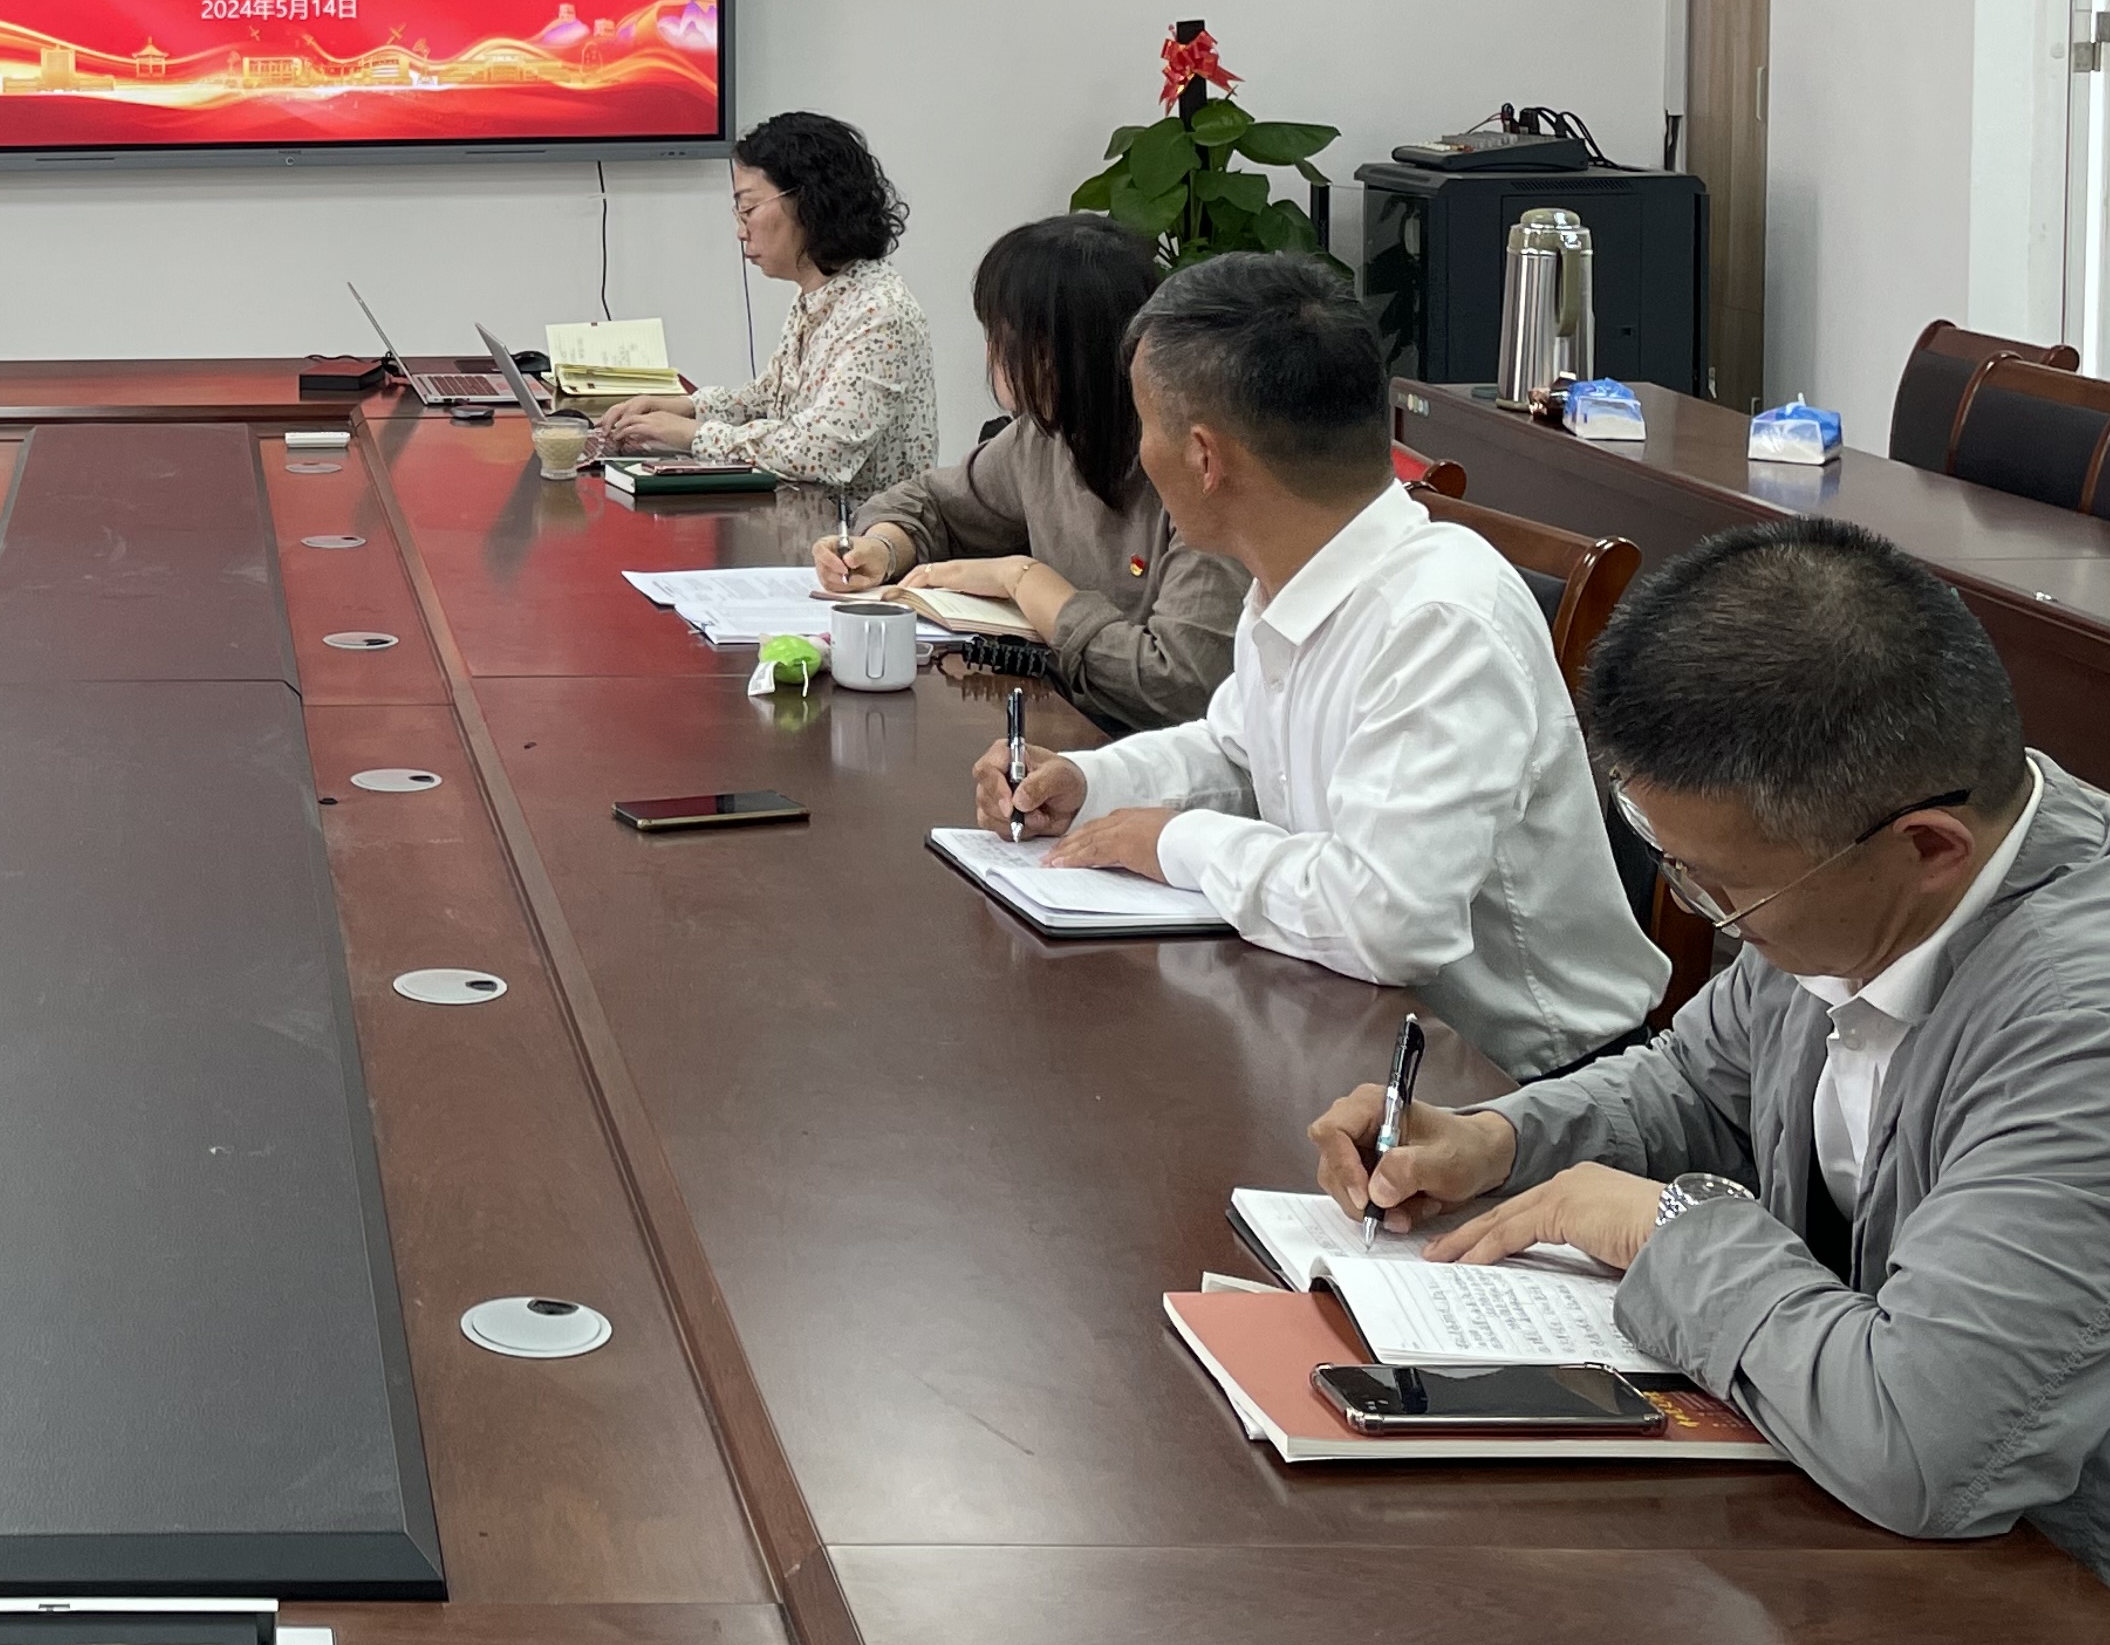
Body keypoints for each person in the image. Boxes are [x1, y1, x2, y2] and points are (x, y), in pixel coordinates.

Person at [1312, 518, 2110, 1589]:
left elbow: (1923, 1446)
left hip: (2054, 1597)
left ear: (1928, 848)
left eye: (1725, 891)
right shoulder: (1854, 884)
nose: (1706, 915)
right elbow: (1700, 1079)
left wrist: (1668, 1229)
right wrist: (1500, 1139)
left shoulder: (2084, 1028)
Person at [974, 250, 1664, 1078]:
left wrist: (1177, 841)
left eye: (1144, 426)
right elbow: (1239, 751)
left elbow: (1388, 920)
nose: (1139, 452)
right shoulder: (1297, 572)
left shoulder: (1439, 620)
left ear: (1203, 458)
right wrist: (1092, 783)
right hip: (1355, 1028)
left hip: (1523, 1084)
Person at [815, 214, 1242, 732]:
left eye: (1000, 335)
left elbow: (1178, 685)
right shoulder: (1045, 437)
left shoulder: (1192, 470)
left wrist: (1024, 580)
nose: (991, 355)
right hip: (1067, 733)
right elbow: (933, 502)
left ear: (1059, 351)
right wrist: (884, 547)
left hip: (1155, 758)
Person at [588, 110, 935, 501]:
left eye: (749, 209)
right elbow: (770, 398)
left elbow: (822, 451)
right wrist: (685, 407)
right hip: (801, 515)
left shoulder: (879, 313)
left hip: (859, 531)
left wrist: (695, 435)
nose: (741, 231)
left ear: (810, 202)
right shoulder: (821, 294)